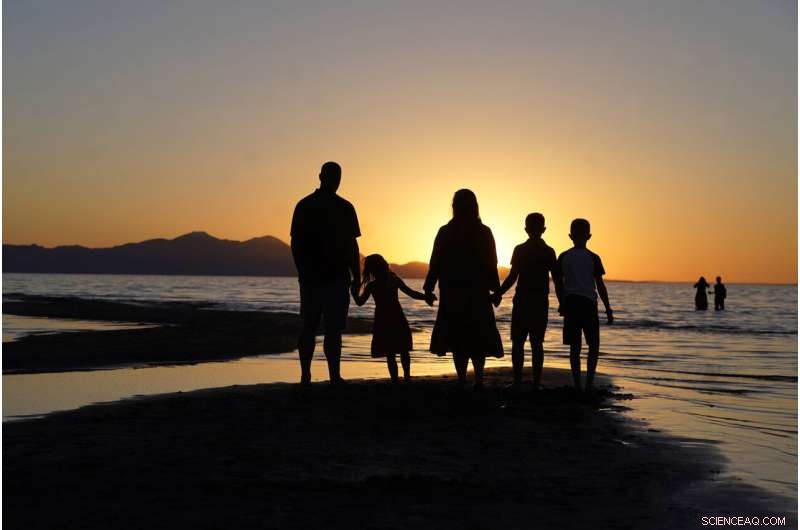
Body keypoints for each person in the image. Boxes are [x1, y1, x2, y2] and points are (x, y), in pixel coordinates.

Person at [423, 189, 504, 390]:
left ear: (454, 207)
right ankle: (478, 380)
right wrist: (496, 289)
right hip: (478, 291)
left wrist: (429, 287)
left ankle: (462, 379)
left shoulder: (446, 231)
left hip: (453, 292)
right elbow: (491, 263)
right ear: (475, 207)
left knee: (458, 338)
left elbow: (436, 262)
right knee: (478, 337)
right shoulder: (484, 232)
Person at [290, 161, 361, 385]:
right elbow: (296, 243)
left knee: (327, 329)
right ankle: (308, 375)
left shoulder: (343, 207)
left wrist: (356, 276)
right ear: (321, 176)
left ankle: (327, 375)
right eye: (332, 176)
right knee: (314, 327)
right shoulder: (307, 205)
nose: (335, 181)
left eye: (338, 176)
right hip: (318, 278)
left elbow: (352, 246)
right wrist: (302, 270)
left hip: (334, 277)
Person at [495, 213, 562, 390]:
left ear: (526, 229)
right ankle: (536, 383)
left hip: (522, 301)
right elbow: (557, 280)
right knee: (536, 343)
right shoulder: (549, 251)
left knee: (518, 342)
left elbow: (512, 277)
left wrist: (498, 294)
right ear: (544, 230)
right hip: (540, 303)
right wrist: (563, 302)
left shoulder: (520, 249)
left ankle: (517, 382)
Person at [354, 254, 431, 383]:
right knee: (403, 350)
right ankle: (406, 377)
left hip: (383, 320)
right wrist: (426, 297)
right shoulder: (393, 280)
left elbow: (360, 302)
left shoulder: (373, 285)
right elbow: (412, 293)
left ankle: (396, 380)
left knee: (392, 352)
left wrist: (353, 293)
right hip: (396, 317)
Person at [556, 218, 613, 393]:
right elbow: (600, 286)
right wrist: (608, 309)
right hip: (588, 304)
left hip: (571, 303)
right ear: (589, 236)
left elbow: (558, 283)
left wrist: (562, 302)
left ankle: (577, 384)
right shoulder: (593, 257)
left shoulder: (564, 256)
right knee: (593, 345)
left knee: (575, 346)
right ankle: (588, 383)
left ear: (570, 236)